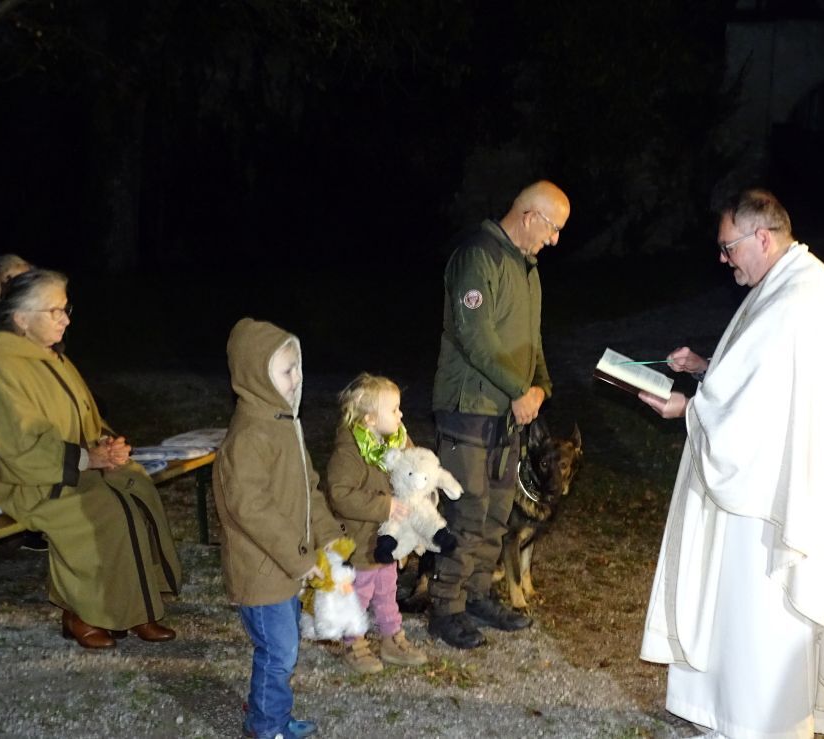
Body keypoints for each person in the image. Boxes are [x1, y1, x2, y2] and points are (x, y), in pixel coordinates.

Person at [638, 189, 824, 737]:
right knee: (738, 604)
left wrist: (687, 407)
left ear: (762, 237)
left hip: (769, 492)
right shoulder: (789, 283)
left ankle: (758, 720)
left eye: (728, 246)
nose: (723, 258)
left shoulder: (797, 297)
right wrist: (706, 367)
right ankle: (734, 713)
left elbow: (757, 404)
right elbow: (763, 376)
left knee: (757, 605)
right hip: (768, 477)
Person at [0, 269, 181, 649]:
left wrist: (108, 444)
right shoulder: (1, 368)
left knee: (136, 489)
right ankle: (81, 612)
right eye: (55, 311)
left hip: (64, 464)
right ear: (22, 319)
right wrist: (87, 459)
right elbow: (17, 446)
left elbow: (85, 419)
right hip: (20, 477)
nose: (65, 319)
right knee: (102, 509)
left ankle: (136, 607)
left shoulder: (53, 359)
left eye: (66, 309)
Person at [428, 180, 568, 649]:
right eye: (552, 228)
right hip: (468, 409)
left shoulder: (528, 270)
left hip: (508, 414)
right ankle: (445, 608)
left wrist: (541, 387)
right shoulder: (477, 256)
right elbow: (476, 338)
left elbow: (533, 340)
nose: (554, 240)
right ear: (529, 216)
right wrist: (518, 389)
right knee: (466, 511)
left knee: (496, 513)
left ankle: (476, 595)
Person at [212, 318, 344, 739]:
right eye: (287, 371)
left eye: (297, 367)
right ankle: (267, 726)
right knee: (279, 651)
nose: (297, 378)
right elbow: (251, 509)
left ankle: (270, 713)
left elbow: (308, 488)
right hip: (261, 570)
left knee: (283, 647)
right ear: (256, 376)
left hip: (284, 568)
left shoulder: (284, 424)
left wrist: (329, 537)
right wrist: (300, 558)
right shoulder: (251, 435)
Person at [325, 372, 428, 674]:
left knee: (387, 590)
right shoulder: (349, 452)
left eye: (399, 408)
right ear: (369, 419)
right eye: (393, 410)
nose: (401, 414)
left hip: (386, 539)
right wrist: (385, 506)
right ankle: (353, 642)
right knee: (359, 593)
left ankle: (391, 637)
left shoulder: (395, 441)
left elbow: (414, 468)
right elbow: (340, 495)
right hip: (360, 541)